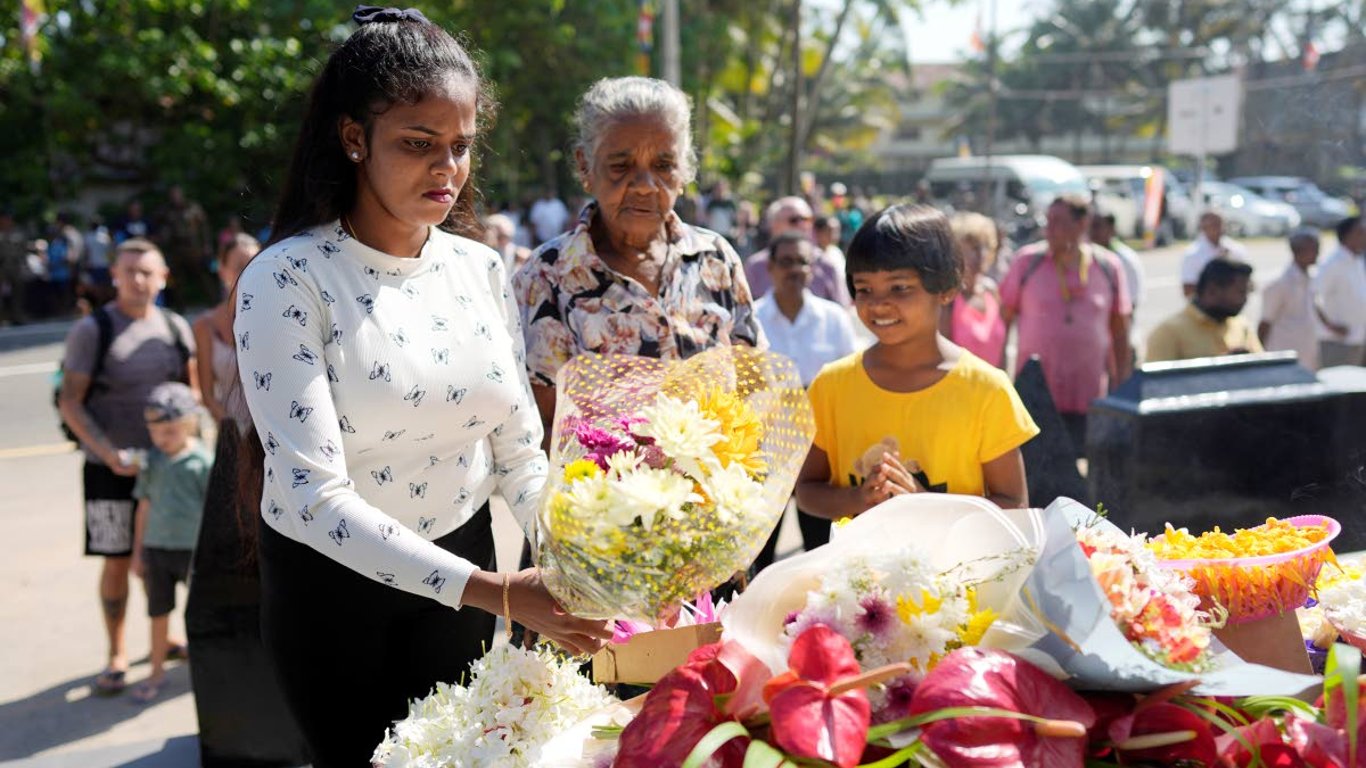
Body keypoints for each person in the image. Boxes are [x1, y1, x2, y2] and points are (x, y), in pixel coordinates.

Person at [232, 12, 611, 765]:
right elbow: (312, 496)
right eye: (418, 143)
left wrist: (583, 561)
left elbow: (519, 453)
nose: (448, 168)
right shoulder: (286, 279)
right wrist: (498, 591)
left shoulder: (480, 269)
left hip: (464, 574)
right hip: (335, 596)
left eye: (461, 145)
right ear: (352, 138)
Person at [513, 76, 765, 438]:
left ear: (685, 172)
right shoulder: (547, 277)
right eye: (621, 165)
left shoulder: (716, 259)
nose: (646, 184)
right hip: (597, 491)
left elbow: (754, 385)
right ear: (585, 167)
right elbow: (541, 426)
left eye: (663, 166)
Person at [795, 204, 1038, 521]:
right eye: (864, 288)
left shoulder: (986, 390)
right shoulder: (831, 385)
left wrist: (924, 505)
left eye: (900, 288)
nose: (879, 303)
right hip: (858, 570)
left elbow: (1015, 506)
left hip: (960, 570)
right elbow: (807, 492)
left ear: (947, 288)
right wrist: (857, 497)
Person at [57, 238, 197, 696]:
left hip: (168, 471)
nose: (138, 280)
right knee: (117, 560)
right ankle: (116, 652)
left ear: (162, 278)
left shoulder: (176, 328)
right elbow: (70, 402)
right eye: (128, 271)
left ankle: (167, 635)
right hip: (108, 471)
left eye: (147, 271)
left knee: (166, 556)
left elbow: (190, 399)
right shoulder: (93, 330)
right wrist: (106, 451)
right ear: (114, 276)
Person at [751, 231, 859, 568]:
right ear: (770, 268)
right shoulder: (751, 321)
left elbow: (850, 383)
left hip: (821, 459)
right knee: (761, 560)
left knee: (822, 556)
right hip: (767, 458)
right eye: (787, 262)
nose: (795, 270)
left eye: (803, 262)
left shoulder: (834, 319)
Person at [1001, 194, 1132, 456]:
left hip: (1089, 395)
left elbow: (1120, 331)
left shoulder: (1108, 267)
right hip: (1035, 396)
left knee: (1085, 479)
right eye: (1048, 220)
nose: (1048, 229)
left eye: (1058, 221)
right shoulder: (1027, 263)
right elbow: (1002, 324)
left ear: (1082, 223)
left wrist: (1123, 389)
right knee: (1037, 475)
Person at [129, 382, 211, 703]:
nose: (162, 439)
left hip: (193, 553)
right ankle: (156, 671)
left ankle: (205, 672)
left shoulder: (201, 464)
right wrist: (138, 553)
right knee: (158, 612)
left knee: (199, 614)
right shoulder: (152, 462)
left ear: (188, 425)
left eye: (170, 432)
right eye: (156, 432)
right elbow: (144, 506)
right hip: (157, 551)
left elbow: (212, 512)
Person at [192, 233, 259, 425]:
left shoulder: (279, 317)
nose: (249, 272)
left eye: (255, 265)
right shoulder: (205, 325)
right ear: (222, 271)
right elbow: (207, 397)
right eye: (240, 267)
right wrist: (236, 432)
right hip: (232, 433)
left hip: (277, 433)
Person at [1147, 259, 1262, 362]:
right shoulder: (1169, 333)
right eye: (1240, 292)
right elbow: (1156, 384)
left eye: (1248, 292)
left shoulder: (1242, 326)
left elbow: (1265, 370)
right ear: (1212, 291)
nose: (1245, 299)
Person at [1260, 228, 1342, 371]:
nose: (1317, 253)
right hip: (1284, 353)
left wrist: (1330, 325)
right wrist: (1259, 356)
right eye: (1313, 249)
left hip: (1308, 349)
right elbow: (1265, 322)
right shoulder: (1279, 283)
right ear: (1298, 251)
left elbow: (1314, 304)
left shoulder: (1311, 276)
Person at [744, 196, 850, 306]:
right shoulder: (755, 266)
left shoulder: (826, 264)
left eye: (807, 220)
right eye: (794, 220)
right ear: (774, 224)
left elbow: (841, 310)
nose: (802, 225)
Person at [946, 211, 1007, 368]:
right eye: (973, 248)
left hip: (993, 390)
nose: (981, 254)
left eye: (985, 246)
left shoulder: (991, 290)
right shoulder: (947, 298)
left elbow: (1002, 353)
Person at [1315, 215, 1366, 367]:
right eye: (1361, 232)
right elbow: (1313, 298)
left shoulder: (1357, 260)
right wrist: (1330, 325)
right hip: (1337, 342)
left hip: (1358, 338)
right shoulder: (1332, 264)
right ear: (1347, 235)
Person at [159, 185, 213, 306]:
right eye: (173, 195)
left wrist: (206, 245)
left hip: (193, 247)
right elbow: (161, 227)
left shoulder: (193, 208)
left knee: (202, 275)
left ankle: (213, 301)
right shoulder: (167, 211)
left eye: (177, 194)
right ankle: (181, 305)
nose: (175, 197)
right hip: (176, 248)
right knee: (177, 279)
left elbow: (204, 227)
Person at [1180, 211, 1248, 297]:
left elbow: (1248, 283)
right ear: (1203, 227)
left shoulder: (1236, 249)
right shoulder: (1192, 254)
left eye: (1219, 224)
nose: (1218, 229)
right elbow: (1188, 290)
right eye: (1212, 225)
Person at [0, 211, 30, 324]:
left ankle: (17, 316)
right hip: (2, 267)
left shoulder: (18, 233)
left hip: (16, 266)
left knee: (18, 293)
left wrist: (25, 265)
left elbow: (24, 250)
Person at [705, 179, 738, 243]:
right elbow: (707, 218)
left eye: (722, 189)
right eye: (717, 189)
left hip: (727, 235)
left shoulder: (730, 203)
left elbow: (735, 218)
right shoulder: (711, 203)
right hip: (714, 235)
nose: (720, 191)